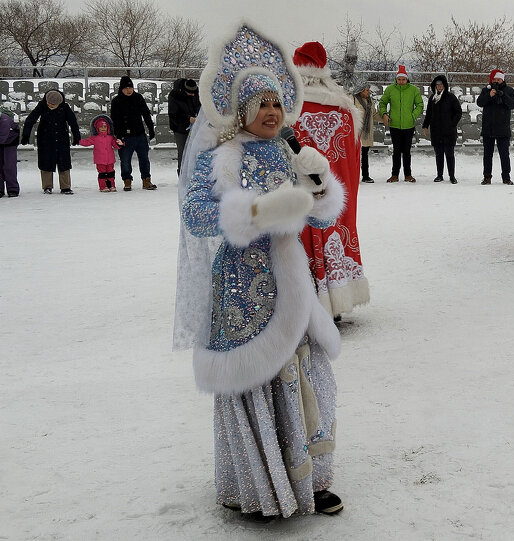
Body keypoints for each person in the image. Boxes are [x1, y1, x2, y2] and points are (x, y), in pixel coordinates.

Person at [174, 22, 347, 520]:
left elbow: (321, 212)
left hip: (293, 279)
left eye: (276, 103)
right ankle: (259, 484)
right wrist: (248, 216)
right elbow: (196, 214)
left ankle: (311, 482)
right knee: (257, 377)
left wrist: (318, 190)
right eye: (261, 105)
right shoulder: (223, 157)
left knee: (305, 374)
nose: (272, 113)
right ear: (244, 112)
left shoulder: (293, 151)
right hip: (244, 286)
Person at [291, 41, 372, 318]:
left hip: (301, 195)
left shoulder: (289, 107)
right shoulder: (346, 110)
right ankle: (337, 301)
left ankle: (307, 304)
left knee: (300, 241)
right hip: (337, 196)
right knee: (336, 233)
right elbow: (352, 159)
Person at [22, 89, 81, 195]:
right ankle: (47, 186)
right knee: (46, 162)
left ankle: (65, 186)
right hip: (45, 137)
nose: (50, 105)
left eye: (53, 104)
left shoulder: (65, 107)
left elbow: (73, 122)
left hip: (61, 137)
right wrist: (26, 135)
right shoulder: (42, 105)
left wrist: (76, 136)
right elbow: (30, 119)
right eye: (49, 103)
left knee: (64, 162)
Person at [377, 65, 423, 182]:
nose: (401, 81)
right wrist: (385, 114)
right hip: (394, 125)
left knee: (407, 151)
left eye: (403, 79)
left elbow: (420, 105)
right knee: (397, 151)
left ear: (407, 79)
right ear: (396, 79)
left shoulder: (413, 90)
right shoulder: (390, 90)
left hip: (409, 125)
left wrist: (413, 115)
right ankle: (395, 175)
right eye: (399, 79)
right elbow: (382, 103)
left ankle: (408, 175)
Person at [110, 76, 157, 191]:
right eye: (126, 88)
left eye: (130, 87)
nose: (128, 90)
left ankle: (146, 180)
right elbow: (115, 120)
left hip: (140, 134)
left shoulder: (138, 98)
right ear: (121, 89)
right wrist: (118, 136)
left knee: (144, 159)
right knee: (125, 160)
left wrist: (151, 128)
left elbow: (146, 113)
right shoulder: (116, 101)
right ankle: (127, 181)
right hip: (125, 136)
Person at [477, 69, 514, 185]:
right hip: (488, 128)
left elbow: (513, 104)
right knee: (487, 155)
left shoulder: (509, 90)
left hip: (503, 128)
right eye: (494, 79)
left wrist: (503, 95)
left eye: (498, 79)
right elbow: (479, 102)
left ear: (502, 80)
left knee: (504, 154)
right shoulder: (486, 90)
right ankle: (487, 176)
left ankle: (506, 177)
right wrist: (489, 96)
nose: (496, 81)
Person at [422, 74, 462, 184]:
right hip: (436, 131)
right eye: (437, 85)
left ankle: (452, 176)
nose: (439, 87)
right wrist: (425, 126)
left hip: (449, 131)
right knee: (439, 154)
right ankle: (439, 175)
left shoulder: (451, 97)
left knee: (449, 154)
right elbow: (429, 113)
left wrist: (452, 124)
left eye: (441, 85)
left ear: (444, 86)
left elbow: (458, 112)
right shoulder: (432, 98)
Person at [78, 115, 124, 192]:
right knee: (102, 174)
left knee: (111, 173)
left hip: (110, 159)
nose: (103, 128)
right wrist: (78, 141)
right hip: (100, 160)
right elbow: (87, 142)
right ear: (97, 128)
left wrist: (120, 144)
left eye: (105, 127)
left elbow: (115, 145)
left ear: (108, 127)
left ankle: (111, 185)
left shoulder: (111, 137)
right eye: (101, 127)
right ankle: (103, 186)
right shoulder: (94, 137)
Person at [168, 78, 201, 175]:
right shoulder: (174, 95)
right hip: (179, 128)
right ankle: (182, 174)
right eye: (190, 93)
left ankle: (194, 174)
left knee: (195, 151)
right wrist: (188, 118)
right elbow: (173, 114)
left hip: (195, 127)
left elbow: (198, 106)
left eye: (194, 93)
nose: (193, 95)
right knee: (183, 153)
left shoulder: (195, 93)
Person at [352, 81, 376, 183]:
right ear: (361, 90)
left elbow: (374, 114)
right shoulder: (352, 99)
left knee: (365, 154)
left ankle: (365, 176)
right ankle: (353, 176)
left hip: (366, 132)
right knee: (354, 155)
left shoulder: (370, 101)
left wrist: (385, 119)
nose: (368, 92)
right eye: (367, 90)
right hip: (356, 131)